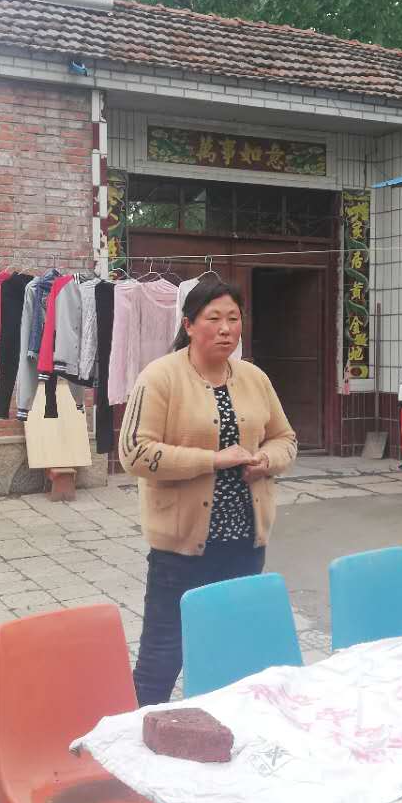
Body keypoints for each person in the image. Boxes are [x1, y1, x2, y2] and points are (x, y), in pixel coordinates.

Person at [120, 277, 298, 705]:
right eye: (213, 318)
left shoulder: (254, 378)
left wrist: (266, 459)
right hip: (181, 550)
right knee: (163, 655)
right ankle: (141, 732)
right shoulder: (160, 377)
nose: (225, 329)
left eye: (233, 318)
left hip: (245, 543)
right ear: (188, 324)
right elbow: (134, 452)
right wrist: (212, 460)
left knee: (234, 650)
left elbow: (285, 438)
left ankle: (225, 727)